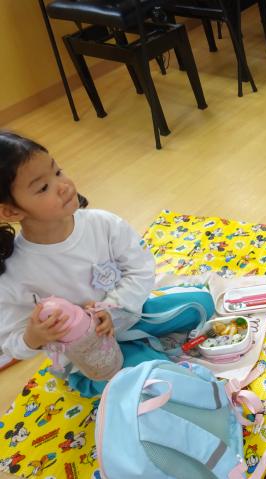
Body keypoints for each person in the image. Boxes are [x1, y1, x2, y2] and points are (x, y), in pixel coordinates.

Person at [0, 132, 213, 397]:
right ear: (11, 211)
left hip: (129, 317)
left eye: (58, 171)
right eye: (43, 187)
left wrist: (113, 309)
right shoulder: (15, 273)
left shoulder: (102, 224)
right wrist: (34, 337)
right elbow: (10, 342)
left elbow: (141, 268)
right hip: (88, 354)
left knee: (203, 303)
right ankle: (88, 379)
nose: (63, 185)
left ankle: (140, 346)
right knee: (156, 380)